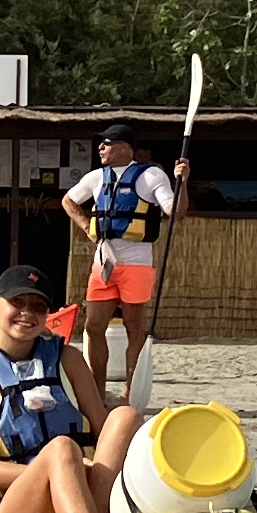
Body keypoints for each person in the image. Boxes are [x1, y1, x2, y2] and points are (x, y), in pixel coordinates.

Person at [0, 264, 145, 513]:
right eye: (17, 302)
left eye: (38, 307)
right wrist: (64, 467)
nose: (27, 313)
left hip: (85, 490)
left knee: (125, 417)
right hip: (18, 507)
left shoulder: (68, 359)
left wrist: (77, 470)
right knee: (61, 448)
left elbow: (106, 434)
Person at [61, 126, 175, 391]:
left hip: (137, 263)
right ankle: (98, 389)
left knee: (133, 326)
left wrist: (182, 181)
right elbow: (68, 201)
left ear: (126, 147)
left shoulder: (151, 175)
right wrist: (86, 225)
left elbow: (174, 210)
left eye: (106, 143)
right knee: (93, 326)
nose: (100, 148)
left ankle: (130, 391)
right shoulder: (96, 177)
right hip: (104, 263)